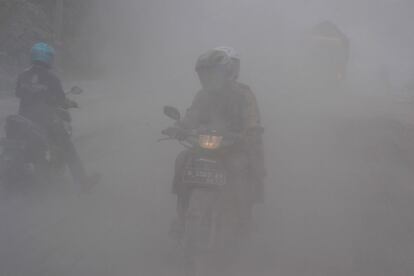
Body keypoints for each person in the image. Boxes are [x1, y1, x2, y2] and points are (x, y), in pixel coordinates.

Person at [171, 47, 266, 237]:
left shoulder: (243, 94)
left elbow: (252, 117)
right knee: (182, 160)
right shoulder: (202, 95)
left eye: (213, 74)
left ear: (227, 73)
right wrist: (180, 127)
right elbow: (192, 115)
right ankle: (181, 216)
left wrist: (251, 131)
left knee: (240, 167)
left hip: (234, 147)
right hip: (205, 148)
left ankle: (244, 219)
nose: (209, 79)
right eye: (205, 75)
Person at [15, 42, 91, 189]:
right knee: (67, 147)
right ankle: (82, 182)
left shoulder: (23, 75)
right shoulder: (52, 78)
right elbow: (60, 100)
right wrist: (69, 103)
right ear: (48, 58)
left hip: (23, 119)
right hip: (45, 121)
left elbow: (18, 93)